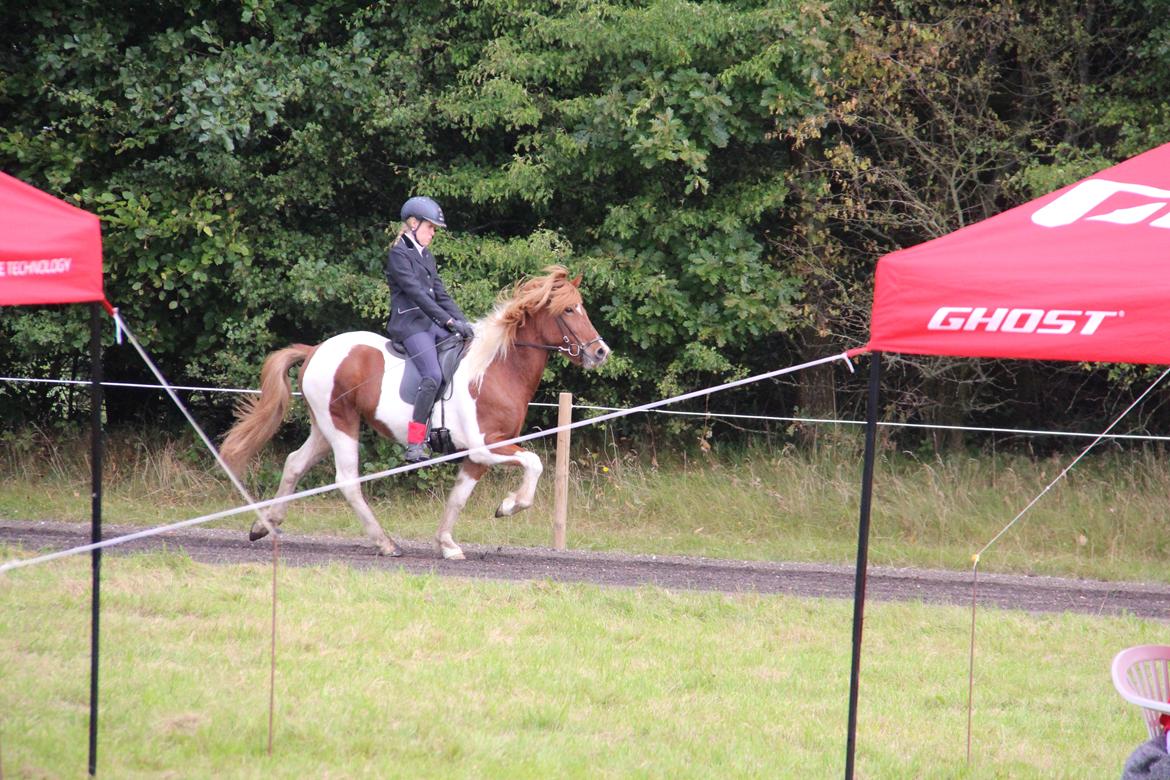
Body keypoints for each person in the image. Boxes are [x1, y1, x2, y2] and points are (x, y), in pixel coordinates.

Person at [385, 196, 474, 463]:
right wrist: (447, 322)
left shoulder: (427, 256)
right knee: (433, 375)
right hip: (410, 324)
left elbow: (440, 294)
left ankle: (446, 434)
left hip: (429, 323)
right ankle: (414, 443)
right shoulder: (399, 254)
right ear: (413, 223)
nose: (433, 233)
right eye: (430, 227)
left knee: (461, 358)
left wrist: (463, 323)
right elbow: (418, 295)